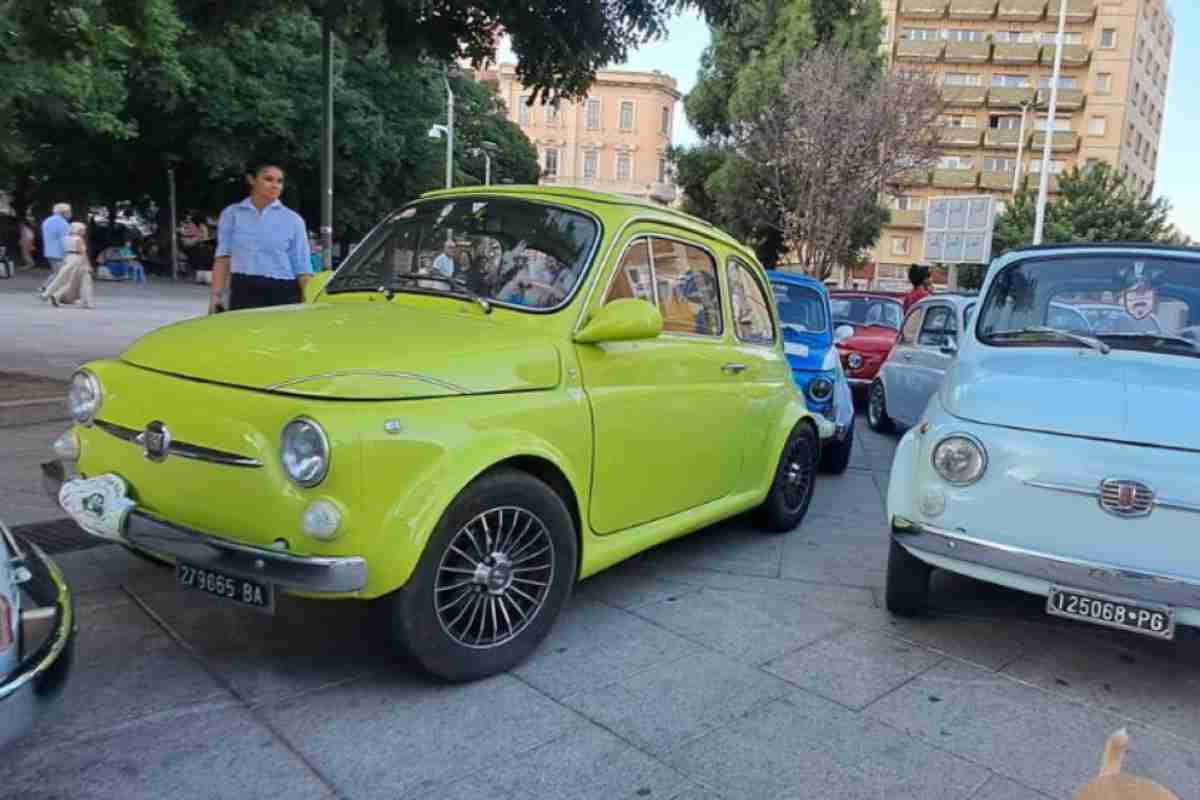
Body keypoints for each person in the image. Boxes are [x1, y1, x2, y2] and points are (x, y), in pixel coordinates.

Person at [210, 162, 312, 312]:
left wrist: (308, 300)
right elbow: (223, 257)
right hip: (242, 288)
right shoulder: (232, 214)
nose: (275, 185)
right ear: (252, 180)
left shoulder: (293, 220)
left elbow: (302, 264)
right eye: (268, 179)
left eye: (279, 181)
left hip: (283, 290)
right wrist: (216, 296)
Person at [44, 222, 94, 309]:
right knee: (86, 281)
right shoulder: (79, 239)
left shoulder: (66, 238)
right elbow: (83, 253)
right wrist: (88, 264)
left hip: (68, 257)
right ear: (79, 230)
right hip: (78, 259)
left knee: (70, 280)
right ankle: (87, 302)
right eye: (83, 230)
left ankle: (56, 295)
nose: (84, 232)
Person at [38, 203, 71, 293]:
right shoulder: (63, 223)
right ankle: (50, 292)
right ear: (63, 212)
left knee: (57, 272)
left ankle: (45, 288)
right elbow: (65, 239)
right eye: (69, 212)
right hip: (59, 252)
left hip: (49, 250)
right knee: (61, 274)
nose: (70, 214)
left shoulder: (47, 220)